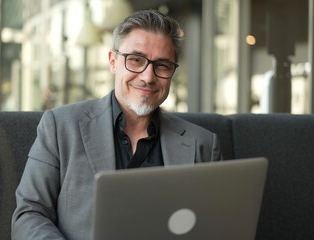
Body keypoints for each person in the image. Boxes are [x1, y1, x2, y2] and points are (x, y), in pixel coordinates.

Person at [11, 9, 222, 239]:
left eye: (162, 65)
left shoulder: (203, 145)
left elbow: (217, 227)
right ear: (113, 62)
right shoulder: (59, 127)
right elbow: (29, 213)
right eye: (136, 60)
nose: (148, 76)